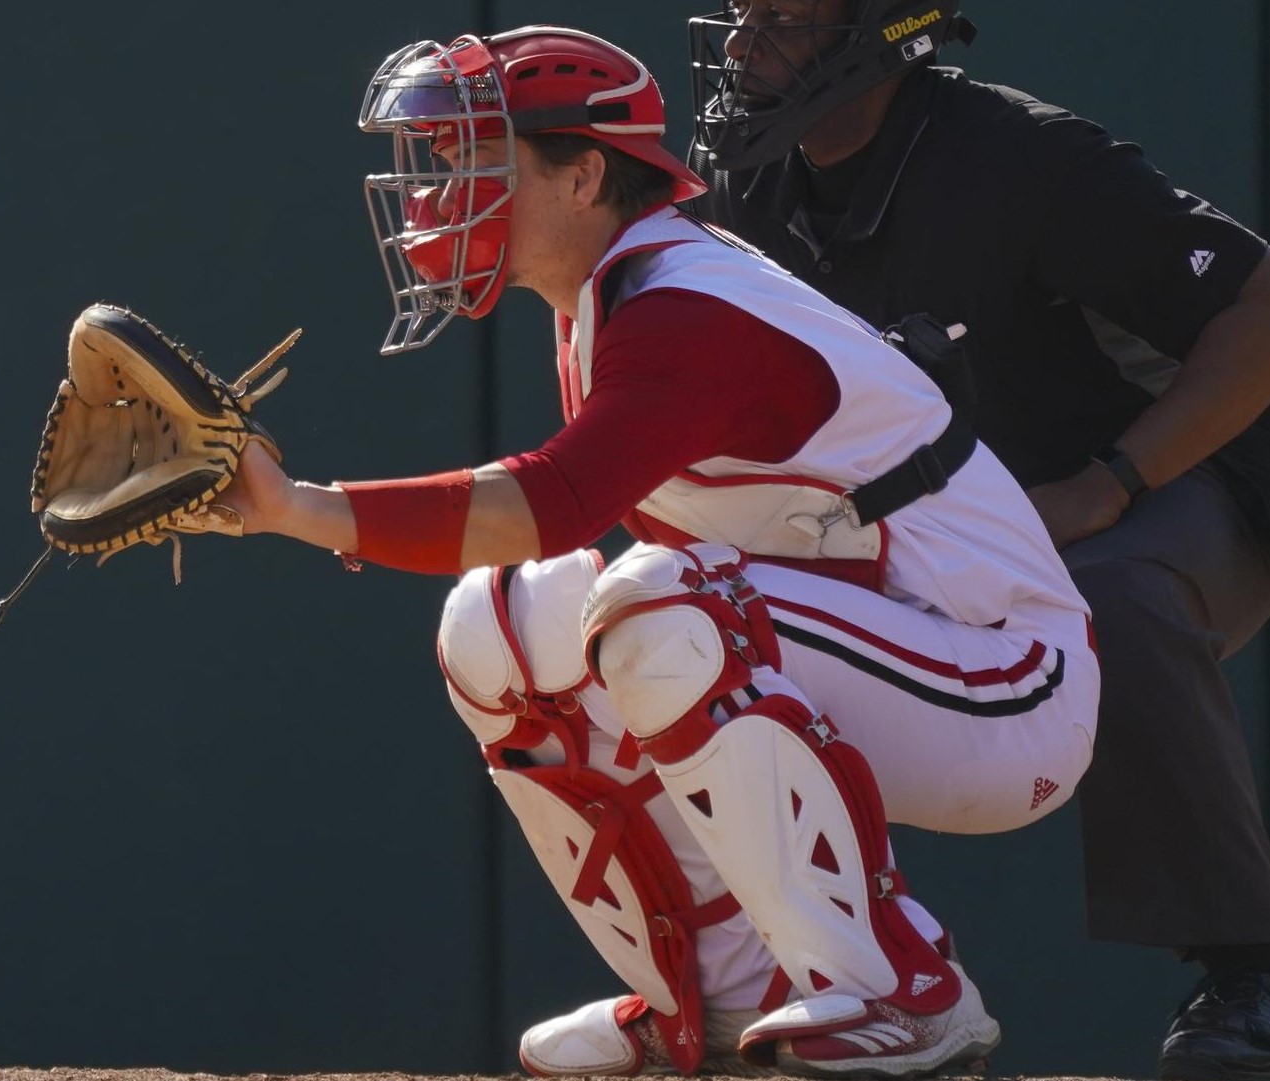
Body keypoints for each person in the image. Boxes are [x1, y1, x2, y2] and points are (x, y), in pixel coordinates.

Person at [210, 23, 1100, 1078]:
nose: (440, 193)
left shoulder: (682, 304)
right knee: (499, 625)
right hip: (887, 649)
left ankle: (904, 993)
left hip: (1004, 681)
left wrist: (298, 506)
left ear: (583, 173)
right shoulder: (611, 292)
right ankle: (725, 1003)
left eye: (473, 159)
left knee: (662, 606)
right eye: (443, 161)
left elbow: (554, 502)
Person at [682, 2, 1270, 1075]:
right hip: (943, 525)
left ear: (878, 30)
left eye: (783, 16)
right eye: (741, 13)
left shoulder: (1023, 154)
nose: (740, 42)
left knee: (1112, 604)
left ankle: (1251, 972)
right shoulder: (744, 187)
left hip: (1162, 493)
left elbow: (1259, 311)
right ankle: (857, 983)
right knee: (690, 621)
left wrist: (1112, 477)